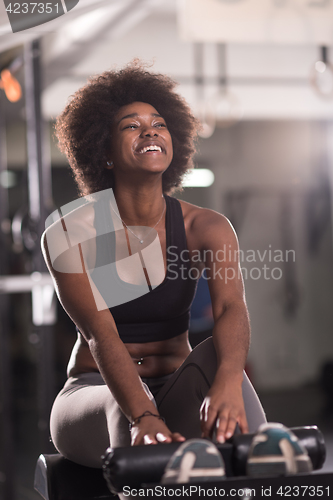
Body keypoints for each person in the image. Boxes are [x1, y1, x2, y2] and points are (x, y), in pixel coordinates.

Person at [41, 62, 266, 471]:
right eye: (131, 125)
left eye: (159, 123)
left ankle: (258, 468)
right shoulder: (70, 233)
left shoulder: (207, 227)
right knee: (123, 412)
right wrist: (144, 415)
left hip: (175, 386)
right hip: (94, 395)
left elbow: (232, 308)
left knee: (223, 362)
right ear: (104, 151)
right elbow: (99, 335)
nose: (150, 131)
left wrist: (230, 380)